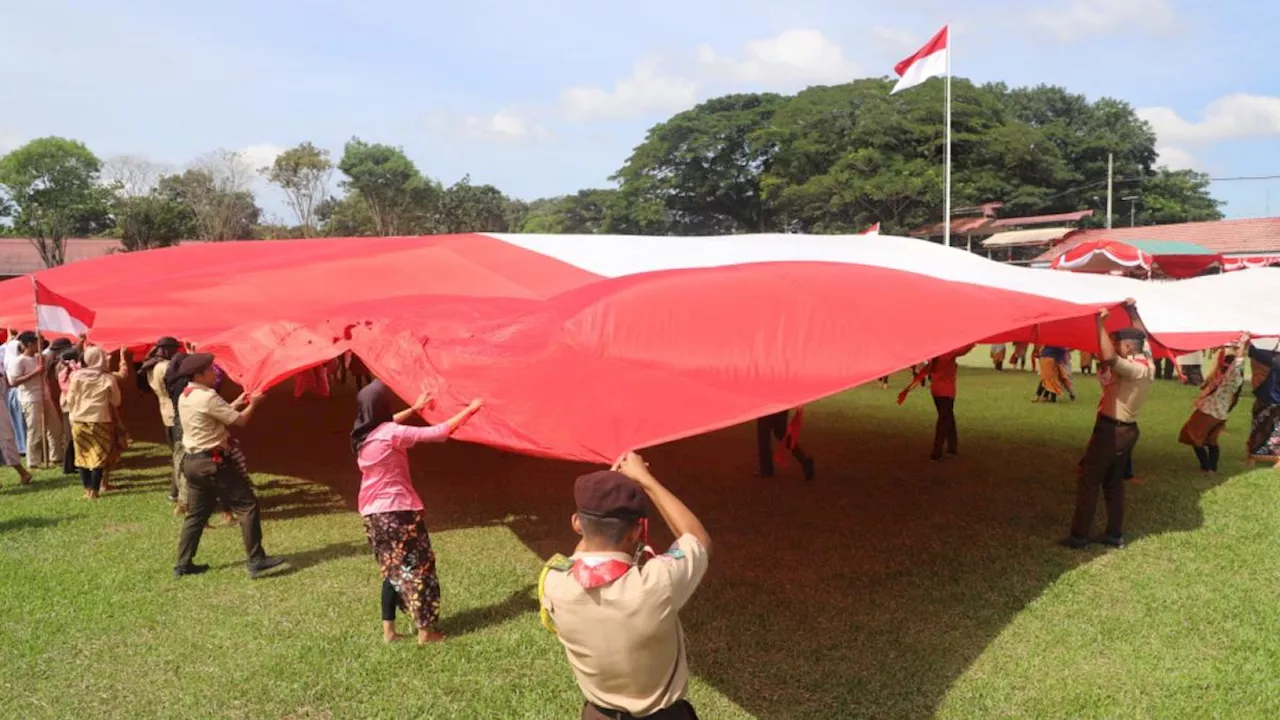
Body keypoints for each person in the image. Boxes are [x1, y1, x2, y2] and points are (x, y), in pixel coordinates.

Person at [539, 452, 711, 720]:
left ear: (576, 523)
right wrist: (646, 481)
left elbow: (581, 556)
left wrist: (607, 491)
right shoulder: (657, 582)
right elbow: (697, 539)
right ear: (635, 532)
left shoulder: (553, 582)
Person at [351, 381, 483, 644]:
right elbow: (439, 432)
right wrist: (471, 409)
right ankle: (425, 631)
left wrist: (414, 408)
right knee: (417, 567)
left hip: (373, 516)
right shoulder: (390, 434)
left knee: (392, 571)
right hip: (399, 514)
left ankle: (389, 632)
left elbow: (388, 425)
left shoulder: (361, 436)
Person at [174, 353, 286, 579]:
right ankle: (256, 560)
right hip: (212, 462)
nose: (213, 373)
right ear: (198, 374)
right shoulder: (207, 397)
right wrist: (253, 404)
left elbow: (214, 414)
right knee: (247, 506)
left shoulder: (186, 395)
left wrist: (238, 402)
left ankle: (183, 564)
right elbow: (241, 421)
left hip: (193, 462)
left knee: (196, 514)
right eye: (209, 370)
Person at [1062, 300, 1155, 550]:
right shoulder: (1147, 360)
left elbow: (1109, 358)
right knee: (1113, 482)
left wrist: (1099, 322)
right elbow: (1142, 336)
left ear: (1126, 346)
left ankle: (1079, 536)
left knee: (1089, 479)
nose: (1114, 345)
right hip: (1127, 430)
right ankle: (1114, 534)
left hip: (1112, 430)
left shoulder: (1134, 369)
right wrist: (1132, 311)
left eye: (1117, 343)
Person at [1178, 338, 1248, 473]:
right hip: (1220, 414)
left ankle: (1206, 467)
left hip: (1209, 412)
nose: (1224, 368)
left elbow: (1238, 362)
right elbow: (1222, 365)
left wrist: (1243, 344)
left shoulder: (1233, 377)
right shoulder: (1227, 379)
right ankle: (1212, 468)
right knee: (1211, 440)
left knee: (1192, 434)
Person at [65, 347, 124, 500]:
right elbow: (116, 401)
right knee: (99, 454)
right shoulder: (107, 378)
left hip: (79, 419)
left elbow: (70, 398)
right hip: (100, 419)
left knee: (82, 454)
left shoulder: (76, 376)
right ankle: (95, 490)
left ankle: (87, 489)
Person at [7, 331, 63, 470]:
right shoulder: (19, 361)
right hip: (30, 398)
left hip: (44, 396)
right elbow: (13, 381)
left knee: (55, 427)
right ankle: (33, 461)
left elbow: (50, 353)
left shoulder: (40, 357)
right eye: (37, 342)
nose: (40, 345)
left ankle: (55, 457)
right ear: (29, 344)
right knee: (35, 430)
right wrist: (35, 373)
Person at [909, 344, 974, 461]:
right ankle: (937, 451)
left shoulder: (933, 354)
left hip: (936, 390)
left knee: (948, 416)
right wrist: (974, 340)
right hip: (946, 391)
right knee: (944, 419)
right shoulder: (947, 353)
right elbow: (964, 349)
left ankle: (952, 447)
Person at [139, 337, 183, 502]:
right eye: (175, 349)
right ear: (167, 350)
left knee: (176, 454)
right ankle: (176, 492)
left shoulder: (152, 366)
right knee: (180, 455)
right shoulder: (166, 368)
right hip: (175, 414)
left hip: (165, 413)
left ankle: (175, 491)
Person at [755, 409, 815, 481]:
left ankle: (766, 469)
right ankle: (804, 460)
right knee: (781, 434)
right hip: (781, 407)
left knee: (764, 436)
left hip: (767, 406)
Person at [1246, 339, 1280, 462]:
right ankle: (1264, 453)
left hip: (1268, 396)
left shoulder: (1270, 358)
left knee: (1261, 425)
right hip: (1269, 396)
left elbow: (1253, 351)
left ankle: (1256, 453)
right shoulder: (1271, 358)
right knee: (1270, 426)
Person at [1, 330, 27, 456]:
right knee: (18, 420)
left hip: (12, 392)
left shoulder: (10, 358)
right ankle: (22, 446)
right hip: (15, 391)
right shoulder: (13, 361)